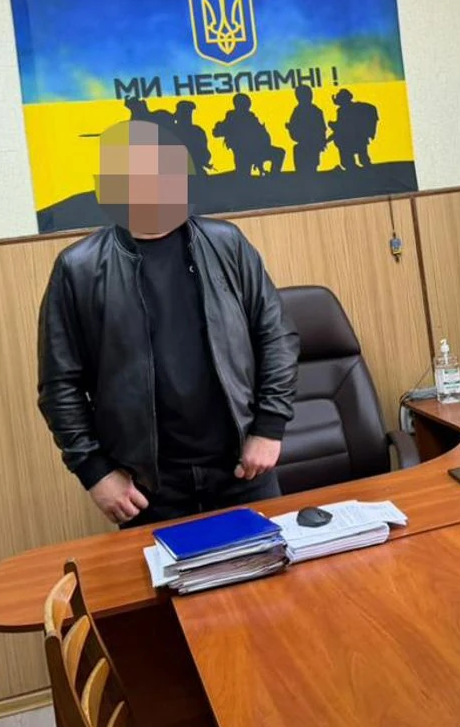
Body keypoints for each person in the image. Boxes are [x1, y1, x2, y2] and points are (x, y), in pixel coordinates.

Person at [37, 119, 299, 526]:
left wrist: (269, 427)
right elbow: (60, 385)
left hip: (243, 471)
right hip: (148, 488)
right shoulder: (79, 268)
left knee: (270, 568)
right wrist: (94, 471)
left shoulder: (227, 244)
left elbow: (276, 336)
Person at [214, 92, 285, 176]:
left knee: (279, 153)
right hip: (243, 154)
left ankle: (274, 177)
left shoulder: (251, 117)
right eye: (245, 103)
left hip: (259, 150)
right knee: (243, 176)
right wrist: (220, 126)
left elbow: (261, 135)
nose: (248, 105)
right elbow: (217, 133)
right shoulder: (232, 118)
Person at [328, 88, 379, 170]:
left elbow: (342, 127)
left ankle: (359, 171)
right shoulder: (357, 108)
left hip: (349, 140)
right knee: (362, 158)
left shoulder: (343, 111)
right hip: (359, 139)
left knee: (351, 161)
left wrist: (333, 126)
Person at [285, 84, 328, 174]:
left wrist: (321, 141)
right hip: (303, 143)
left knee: (311, 166)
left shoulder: (315, 111)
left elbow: (321, 128)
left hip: (313, 144)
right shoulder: (298, 110)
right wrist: (291, 127)